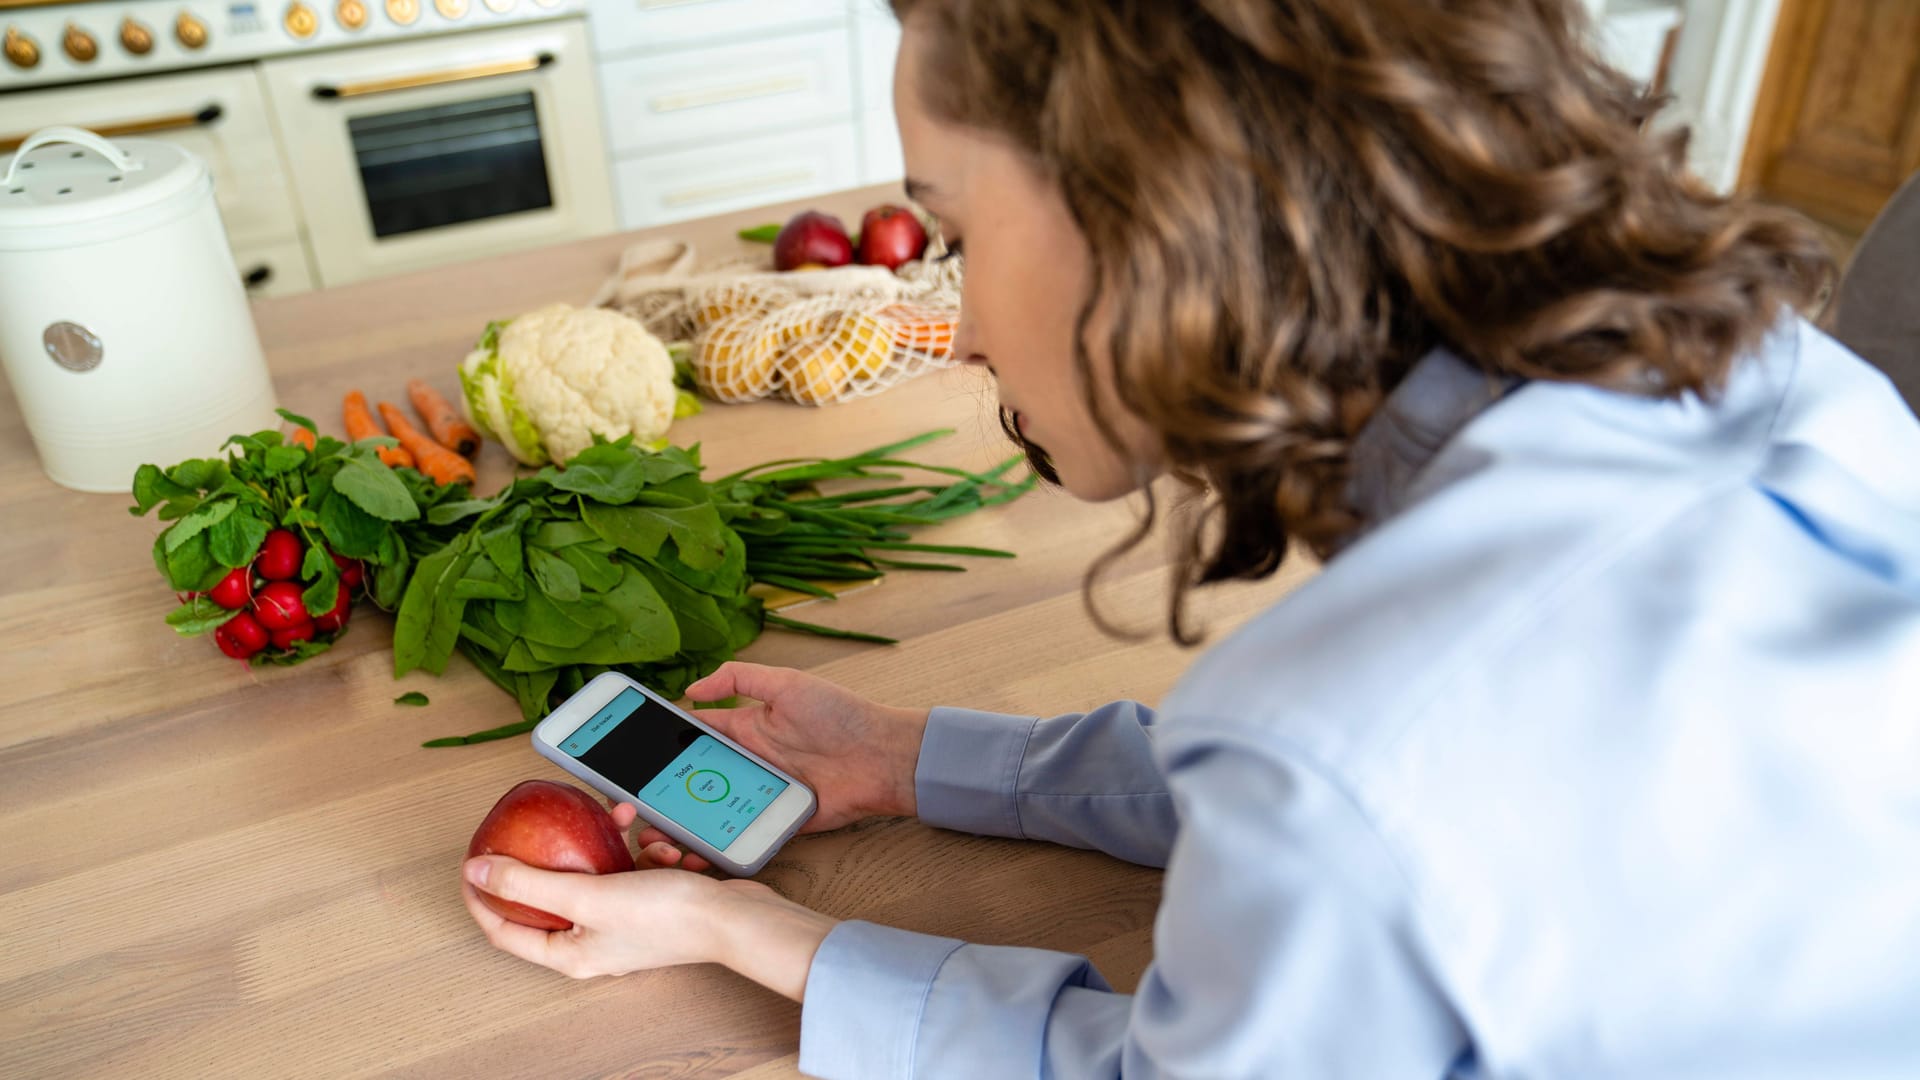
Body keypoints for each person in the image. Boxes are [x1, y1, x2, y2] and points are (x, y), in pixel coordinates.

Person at [462, 1, 1920, 1075]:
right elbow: (1416, 820)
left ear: (1148, 212)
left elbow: (1335, 821)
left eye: (951, 228)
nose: (954, 324)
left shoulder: (1332, 745)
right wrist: (912, 758)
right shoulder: (1789, 386)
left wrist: (747, 938)